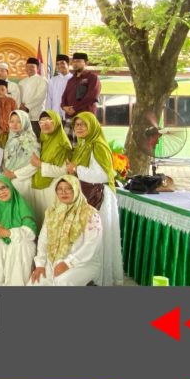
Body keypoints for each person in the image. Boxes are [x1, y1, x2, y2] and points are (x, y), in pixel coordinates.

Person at [68, 112, 123, 286]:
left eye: (83, 124)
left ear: (92, 126)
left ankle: (99, 278)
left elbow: (102, 175)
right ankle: (87, 276)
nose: (79, 128)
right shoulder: (84, 145)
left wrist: (76, 169)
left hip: (100, 198)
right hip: (88, 196)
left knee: (97, 239)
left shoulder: (98, 146)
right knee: (88, 238)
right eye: (76, 125)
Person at [29, 175, 102, 286]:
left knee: (62, 281)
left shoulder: (90, 214)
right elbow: (43, 240)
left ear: (76, 189)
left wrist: (68, 263)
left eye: (68, 188)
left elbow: (92, 245)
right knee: (35, 282)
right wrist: (40, 265)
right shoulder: (52, 212)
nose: (63, 192)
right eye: (60, 189)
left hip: (83, 262)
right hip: (54, 260)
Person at [0, 175, 37, 286]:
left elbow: (31, 232)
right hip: (4, 242)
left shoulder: (21, 204)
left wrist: (9, 233)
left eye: (4, 187)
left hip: (23, 242)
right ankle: (0, 283)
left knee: (17, 245)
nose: (1, 192)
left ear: (10, 187)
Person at [30, 110, 71, 227]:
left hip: (53, 188)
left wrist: (40, 164)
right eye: (41, 122)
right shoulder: (42, 140)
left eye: (49, 120)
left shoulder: (63, 144)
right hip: (40, 187)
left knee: (52, 224)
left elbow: (64, 170)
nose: (45, 124)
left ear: (57, 122)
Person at [2, 110, 39, 203]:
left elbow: (35, 165)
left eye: (19, 121)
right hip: (9, 180)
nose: (15, 124)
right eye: (12, 121)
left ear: (25, 122)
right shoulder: (11, 138)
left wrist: (14, 174)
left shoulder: (29, 140)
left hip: (23, 182)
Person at [61, 52, 101, 137]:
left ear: (86, 63)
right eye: (74, 61)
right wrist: (64, 106)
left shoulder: (92, 78)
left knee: (84, 142)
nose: (75, 63)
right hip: (70, 118)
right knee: (68, 143)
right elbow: (64, 96)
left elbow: (92, 97)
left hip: (85, 117)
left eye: (78, 61)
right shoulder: (71, 80)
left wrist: (75, 108)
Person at [18, 57, 48, 137]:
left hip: (36, 114)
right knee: (24, 137)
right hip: (23, 114)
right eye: (27, 66)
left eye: (32, 67)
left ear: (37, 68)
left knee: (36, 137)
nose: (29, 69)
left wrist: (27, 107)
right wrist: (20, 105)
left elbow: (40, 97)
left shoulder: (42, 80)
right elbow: (18, 97)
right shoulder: (21, 82)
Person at [45, 54, 72, 120]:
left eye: (62, 63)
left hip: (70, 114)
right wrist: (48, 114)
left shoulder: (74, 79)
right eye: (57, 64)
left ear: (68, 64)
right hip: (55, 114)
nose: (60, 66)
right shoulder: (52, 80)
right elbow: (49, 98)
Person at [0, 80, 17, 146]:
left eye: (2, 90)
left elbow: (16, 115)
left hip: (11, 131)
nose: (0, 92)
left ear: (6, 90)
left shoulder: (12, 101)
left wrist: (12, 127)